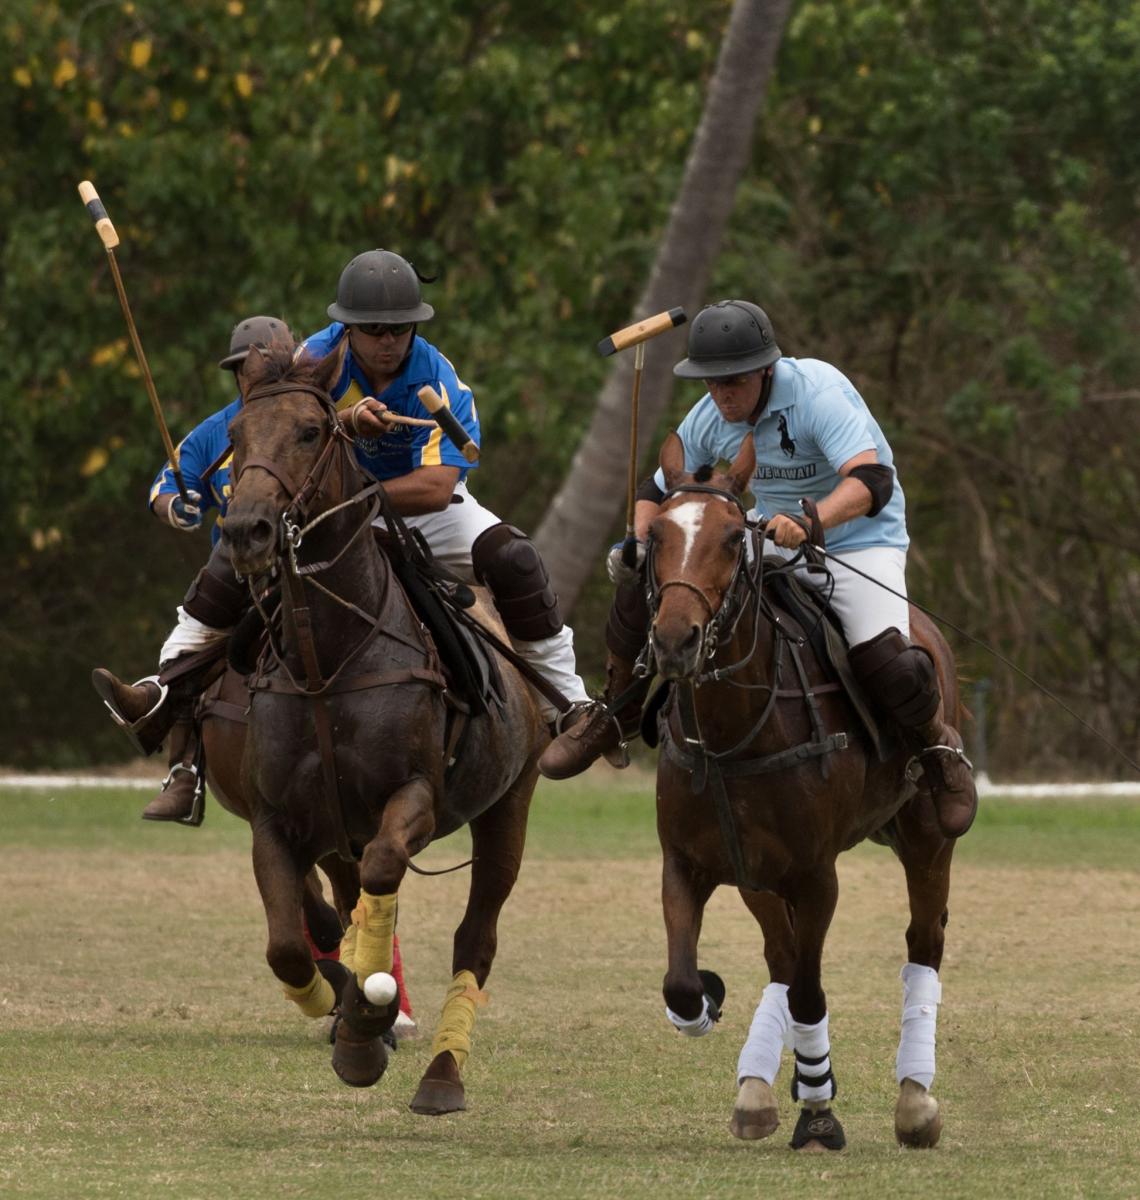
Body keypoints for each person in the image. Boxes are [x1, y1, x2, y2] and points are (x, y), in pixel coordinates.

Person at [538, 299, 978, 839]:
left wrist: (813, 519)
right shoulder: (709, 416)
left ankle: (938, 748)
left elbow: (874, 480)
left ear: (766, 370)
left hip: (859, 542)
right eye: (710, 382)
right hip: (765, 539)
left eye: (734, 381)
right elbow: (656, 490)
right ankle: (613, 713)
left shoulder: (817, 394)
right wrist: (637, 539)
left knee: (889, 660)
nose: (722, 395)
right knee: (652, 584)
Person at [296, 248, 590, 727]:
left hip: (417, 509)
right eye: (373, 330)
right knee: (243, 549)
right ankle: (176, 695)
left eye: (400, 327)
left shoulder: (436, 382)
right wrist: (345, 421)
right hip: (329, 507)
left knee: (515, 558)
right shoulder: (313, 360)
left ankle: (565, 704)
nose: (387, 341)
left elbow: (434, 488)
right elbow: (284, 428)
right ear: (347, 327)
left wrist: (360, 498)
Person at [93, 315, 291, 822]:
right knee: (187, 640)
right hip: (238, 566)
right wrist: (175, 506)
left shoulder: (310, 416)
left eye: (266, 367)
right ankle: (183, 771)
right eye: (245, 369)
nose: (255, 377)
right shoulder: (216, 431)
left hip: (307, 561)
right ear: (236, 375)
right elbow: (164, 486)